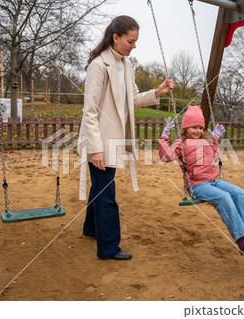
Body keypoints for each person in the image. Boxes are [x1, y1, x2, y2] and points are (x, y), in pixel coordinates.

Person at [77, 16, 174, 261]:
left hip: (114, 140)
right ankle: (108, 248)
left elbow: (132, 99)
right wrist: (96, 149)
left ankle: (91, 229)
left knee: (101, 186)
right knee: (106, 192)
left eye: (136, 42)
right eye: (130, 41)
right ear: (116, 37)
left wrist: (157, 92)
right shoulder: (98, 66)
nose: (134, 46)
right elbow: (89, 112)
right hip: (99, 140)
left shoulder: (126, 65)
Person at [158, 106, 244, 255]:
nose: (198, 131)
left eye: (201, 128)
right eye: (194, 127)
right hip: (197, 185)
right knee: (224, 197)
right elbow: (165, 157)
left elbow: (214, 157)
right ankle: (242, 239)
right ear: (185, 128)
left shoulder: (205, 141)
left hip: (214, 181)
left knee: (239, 193)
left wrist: (215, 140)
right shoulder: (180, 143)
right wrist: (165, 136)